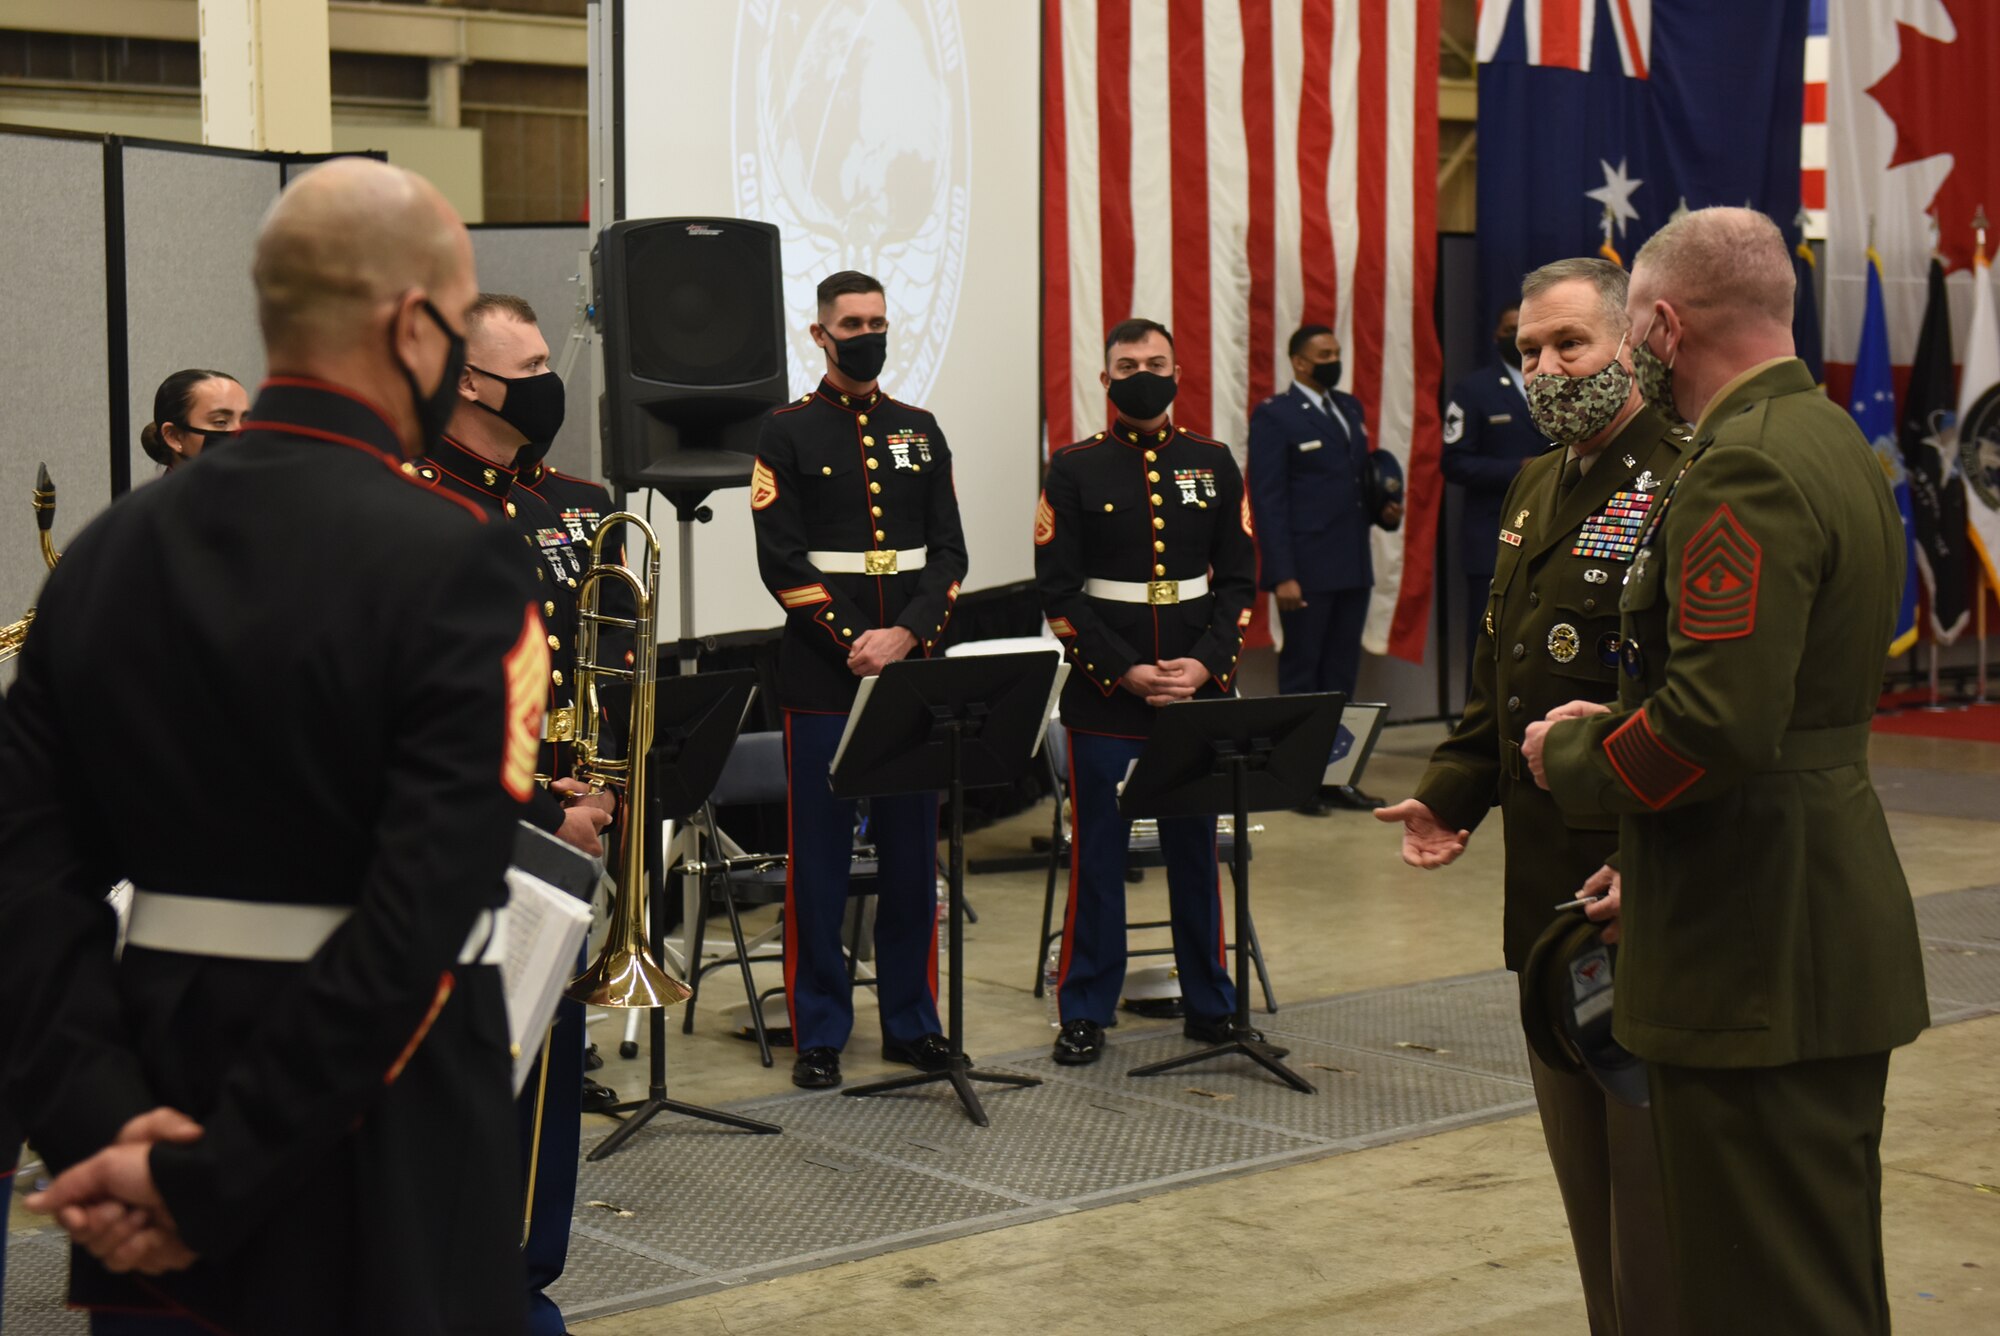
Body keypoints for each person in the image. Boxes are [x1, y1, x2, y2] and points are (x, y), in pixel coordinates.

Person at [0, 156, 536, 1333]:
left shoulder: (105, 558)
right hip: (370, 1139)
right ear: (413, 326)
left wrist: (105, 1123)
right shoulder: (457, 558)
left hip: (142, 1107)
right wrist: (217, 1174)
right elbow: (418, 918)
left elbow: (26, 882)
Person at [1526, 207, 1929, 1335]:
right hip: (1804, 908)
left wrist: (1569, 753)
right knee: (1815, 1259)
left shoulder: (1740, 465)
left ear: (1657, 326)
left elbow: (1714, 724)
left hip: (1752, 939)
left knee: (1761, 1285)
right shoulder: (1829, 436)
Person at [1376, 257, 1686, 1334]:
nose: (1548, 370)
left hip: (1632, 889)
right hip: (1543, 895)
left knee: (1651, 1194)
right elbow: (1505, 677)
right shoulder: (1532, 483)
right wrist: (1450, 793)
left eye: (1570, 345)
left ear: (1631, 343)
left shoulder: (1683, 478)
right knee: (1581, 1174)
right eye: (1527, 352)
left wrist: (1647, 851)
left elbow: (1690, 706)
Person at [427, 291, 611, 1336]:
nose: (546, 381)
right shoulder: (417, 505)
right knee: (464, 1081)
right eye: (528, 363)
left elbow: (603, 665)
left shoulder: (563, 503)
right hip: (468, 841)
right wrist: (547, 803)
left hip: (565, 838)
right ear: (467, 379)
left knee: (545, 1087)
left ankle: (522, 1281)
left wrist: (602, 788)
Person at [750, 270, 969, 1090]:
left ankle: (914, 1023)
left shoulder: (920, 428)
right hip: (823, 675)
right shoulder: (786, 433)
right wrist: (856, 640)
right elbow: (783, 562)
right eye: (852, 323)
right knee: (822, 862)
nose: (867, 333)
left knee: (915, 856)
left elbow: (949, 554)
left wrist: (906, 634)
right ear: (819, 335)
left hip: (912, 673)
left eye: (879, 320)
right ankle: (820, 1030)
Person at [1036, 317, 1259, 1065]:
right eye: (1128, 364)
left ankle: (1211, 1003)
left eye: (1157, 362)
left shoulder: (1213, 460)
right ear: (1105, 381)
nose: (1144, 374)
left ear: (1178, 372)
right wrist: (1122, 670)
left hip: (1197, 690)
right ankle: (1086, 1010)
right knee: (1097, 855)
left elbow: (1237, 579)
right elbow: (1060, 591)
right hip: (1108, 696)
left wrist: (1206, 665)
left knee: (1197, 849)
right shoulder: (1072, 469)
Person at [1246, 325, 1399, 814]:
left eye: (1337, 351)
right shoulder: (1277, 416)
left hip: (1351, 564)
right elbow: (1268, 500)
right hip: (1306, 571)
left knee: (1341, 680)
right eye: (1324, 354)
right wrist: (1281, 574)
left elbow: (1356, 486)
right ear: (1298, 362)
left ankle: (1337, 777)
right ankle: (1295, 783)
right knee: (1303, 679)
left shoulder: (1348, 408)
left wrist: (1383, 509)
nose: (1334, 359)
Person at [1440, 304, 1551, 683]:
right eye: (1509, 329)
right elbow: (1454, 462)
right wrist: (1515, 471)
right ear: (1497, 337)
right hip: (1492, 535)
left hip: (1548, 534)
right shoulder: (1474, 390)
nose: (1516, 334)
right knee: (1489, 640)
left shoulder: (1556, 379)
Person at [137, 369, 248, 471]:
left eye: (246, 421)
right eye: (221, 422)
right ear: (173, 436)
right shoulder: (163, 493)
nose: (241, 432)